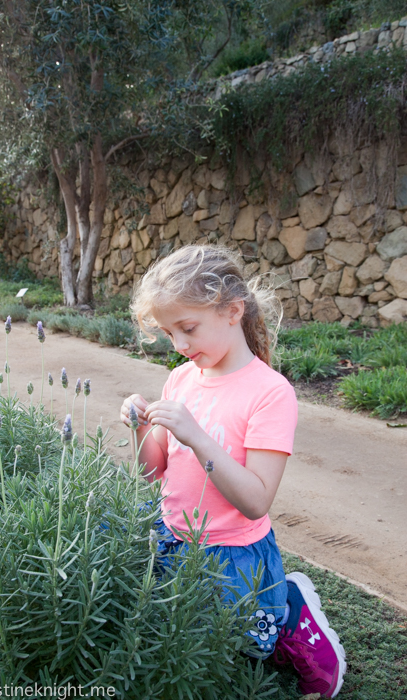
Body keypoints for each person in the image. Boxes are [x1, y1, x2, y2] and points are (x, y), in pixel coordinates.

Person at [120, 244, 346, 698]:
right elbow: (153, 473)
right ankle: (278, 611)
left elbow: (256, 500)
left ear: (232, 311)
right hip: (174, 537)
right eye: (169, 334)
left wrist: (197, 436)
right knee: (175, 643)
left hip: (232, 554)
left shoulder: (269, 393)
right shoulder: (181, 378)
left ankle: (292, 622)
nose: (180, 346)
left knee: (242, 648)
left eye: (187, 328)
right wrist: (140, 428)